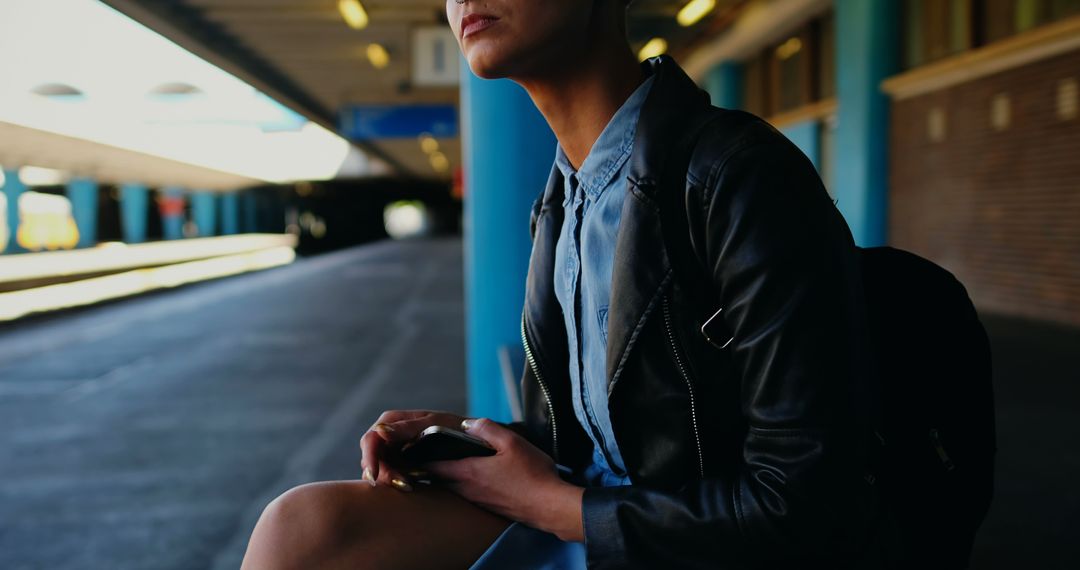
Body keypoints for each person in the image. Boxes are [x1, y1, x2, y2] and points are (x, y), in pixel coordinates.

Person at [240, 0, 884, 568]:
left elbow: (803, 500)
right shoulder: (562, 202)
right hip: (595, 518)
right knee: (302, 529)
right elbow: (604, 443)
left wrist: (552, 505)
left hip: (690, 545)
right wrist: (470, 440)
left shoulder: (735, 178)